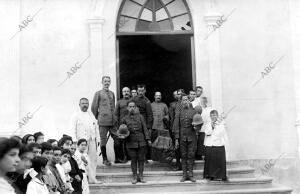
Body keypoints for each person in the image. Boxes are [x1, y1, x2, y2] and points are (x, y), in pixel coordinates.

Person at [70, 97, 99, 182]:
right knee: (81, 160)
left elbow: (96, 127)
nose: (85, 105)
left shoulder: (91, 115)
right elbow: (72, 129)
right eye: (83, 103)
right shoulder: (75, 115)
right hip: (81, 142)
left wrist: (98, 140)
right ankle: (83, 178)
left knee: (93, 159)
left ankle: (92, 178)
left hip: (92, 140)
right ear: (79, 105)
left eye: (86, 103)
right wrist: (75, 142)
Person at [121, 101, 151, 184]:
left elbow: (145, 128)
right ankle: (134, 176)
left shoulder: (140, 117)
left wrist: (148, 139)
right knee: (133, 159)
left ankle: (141, 176)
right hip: (130, 142)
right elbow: (122, 131)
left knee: (141, 159)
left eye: (133, 106)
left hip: (141, 142)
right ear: (127, 108)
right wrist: (123, 136)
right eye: (130, 106)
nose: (132, 108)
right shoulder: (124, 119)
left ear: (136, 108)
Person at [91, 76, 116, 166]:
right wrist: (99, 117)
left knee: (117, 138)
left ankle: (118, 158)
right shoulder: (98, 93)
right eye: (105, 81)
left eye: (108, 81)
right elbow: (94, 107)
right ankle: (104, 159)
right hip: (103, 121)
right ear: (102, 82)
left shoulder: (112, 93)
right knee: (103, 140)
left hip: (112, 121)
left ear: (110, 83)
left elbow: (114, 107)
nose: (107, 83)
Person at [174, 95, 197, 182]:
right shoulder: (179, 113)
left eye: (186, 99)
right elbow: (176, 126)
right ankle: (184, 175)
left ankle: (190, 175)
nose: (185, 101)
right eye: (183, 100)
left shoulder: (194, 111)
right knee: (183, 156)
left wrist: (196, 128)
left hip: (192, 137)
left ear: (189, 101)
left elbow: (197, 124)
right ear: (181, 102)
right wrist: (176, 139)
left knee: (191, 155)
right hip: (182, 137)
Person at [203, 110, 228, 181]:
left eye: (215, 115)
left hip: (218, 143)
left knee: (219, 161)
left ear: (217, 116)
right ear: (210, 117)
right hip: (210, 144)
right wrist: (212, 127)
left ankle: (221, 175)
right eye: (212, 115)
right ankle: (211, 175)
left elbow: (221, 132)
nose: (214, 116)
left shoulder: (221, 123)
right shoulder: (208, 124)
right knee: (211, 161)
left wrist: (217, 127)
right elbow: (207, 132)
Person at [132, 84, 153, 161]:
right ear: (137, 91)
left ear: (145, 91)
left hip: (143, 124)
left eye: (142, 91)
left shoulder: (147, 101)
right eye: (139, 91)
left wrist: (148, 127)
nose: (141, 92)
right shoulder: (133, 100)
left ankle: (143, 158)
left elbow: (150, 115)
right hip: (134, 123)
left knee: (143, 142)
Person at [114, 87, 131, 163]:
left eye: (127, 91)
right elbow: (116, 114)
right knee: (119, 142)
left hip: (130, 125)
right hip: (121, 126)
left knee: (130, 142)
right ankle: (119, 158)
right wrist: (117, 125)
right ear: (122, 93)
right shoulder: (119, 102)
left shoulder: (132, 101)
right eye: (124, 91)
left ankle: (129, 157)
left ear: (130, 92)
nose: (126, 92)